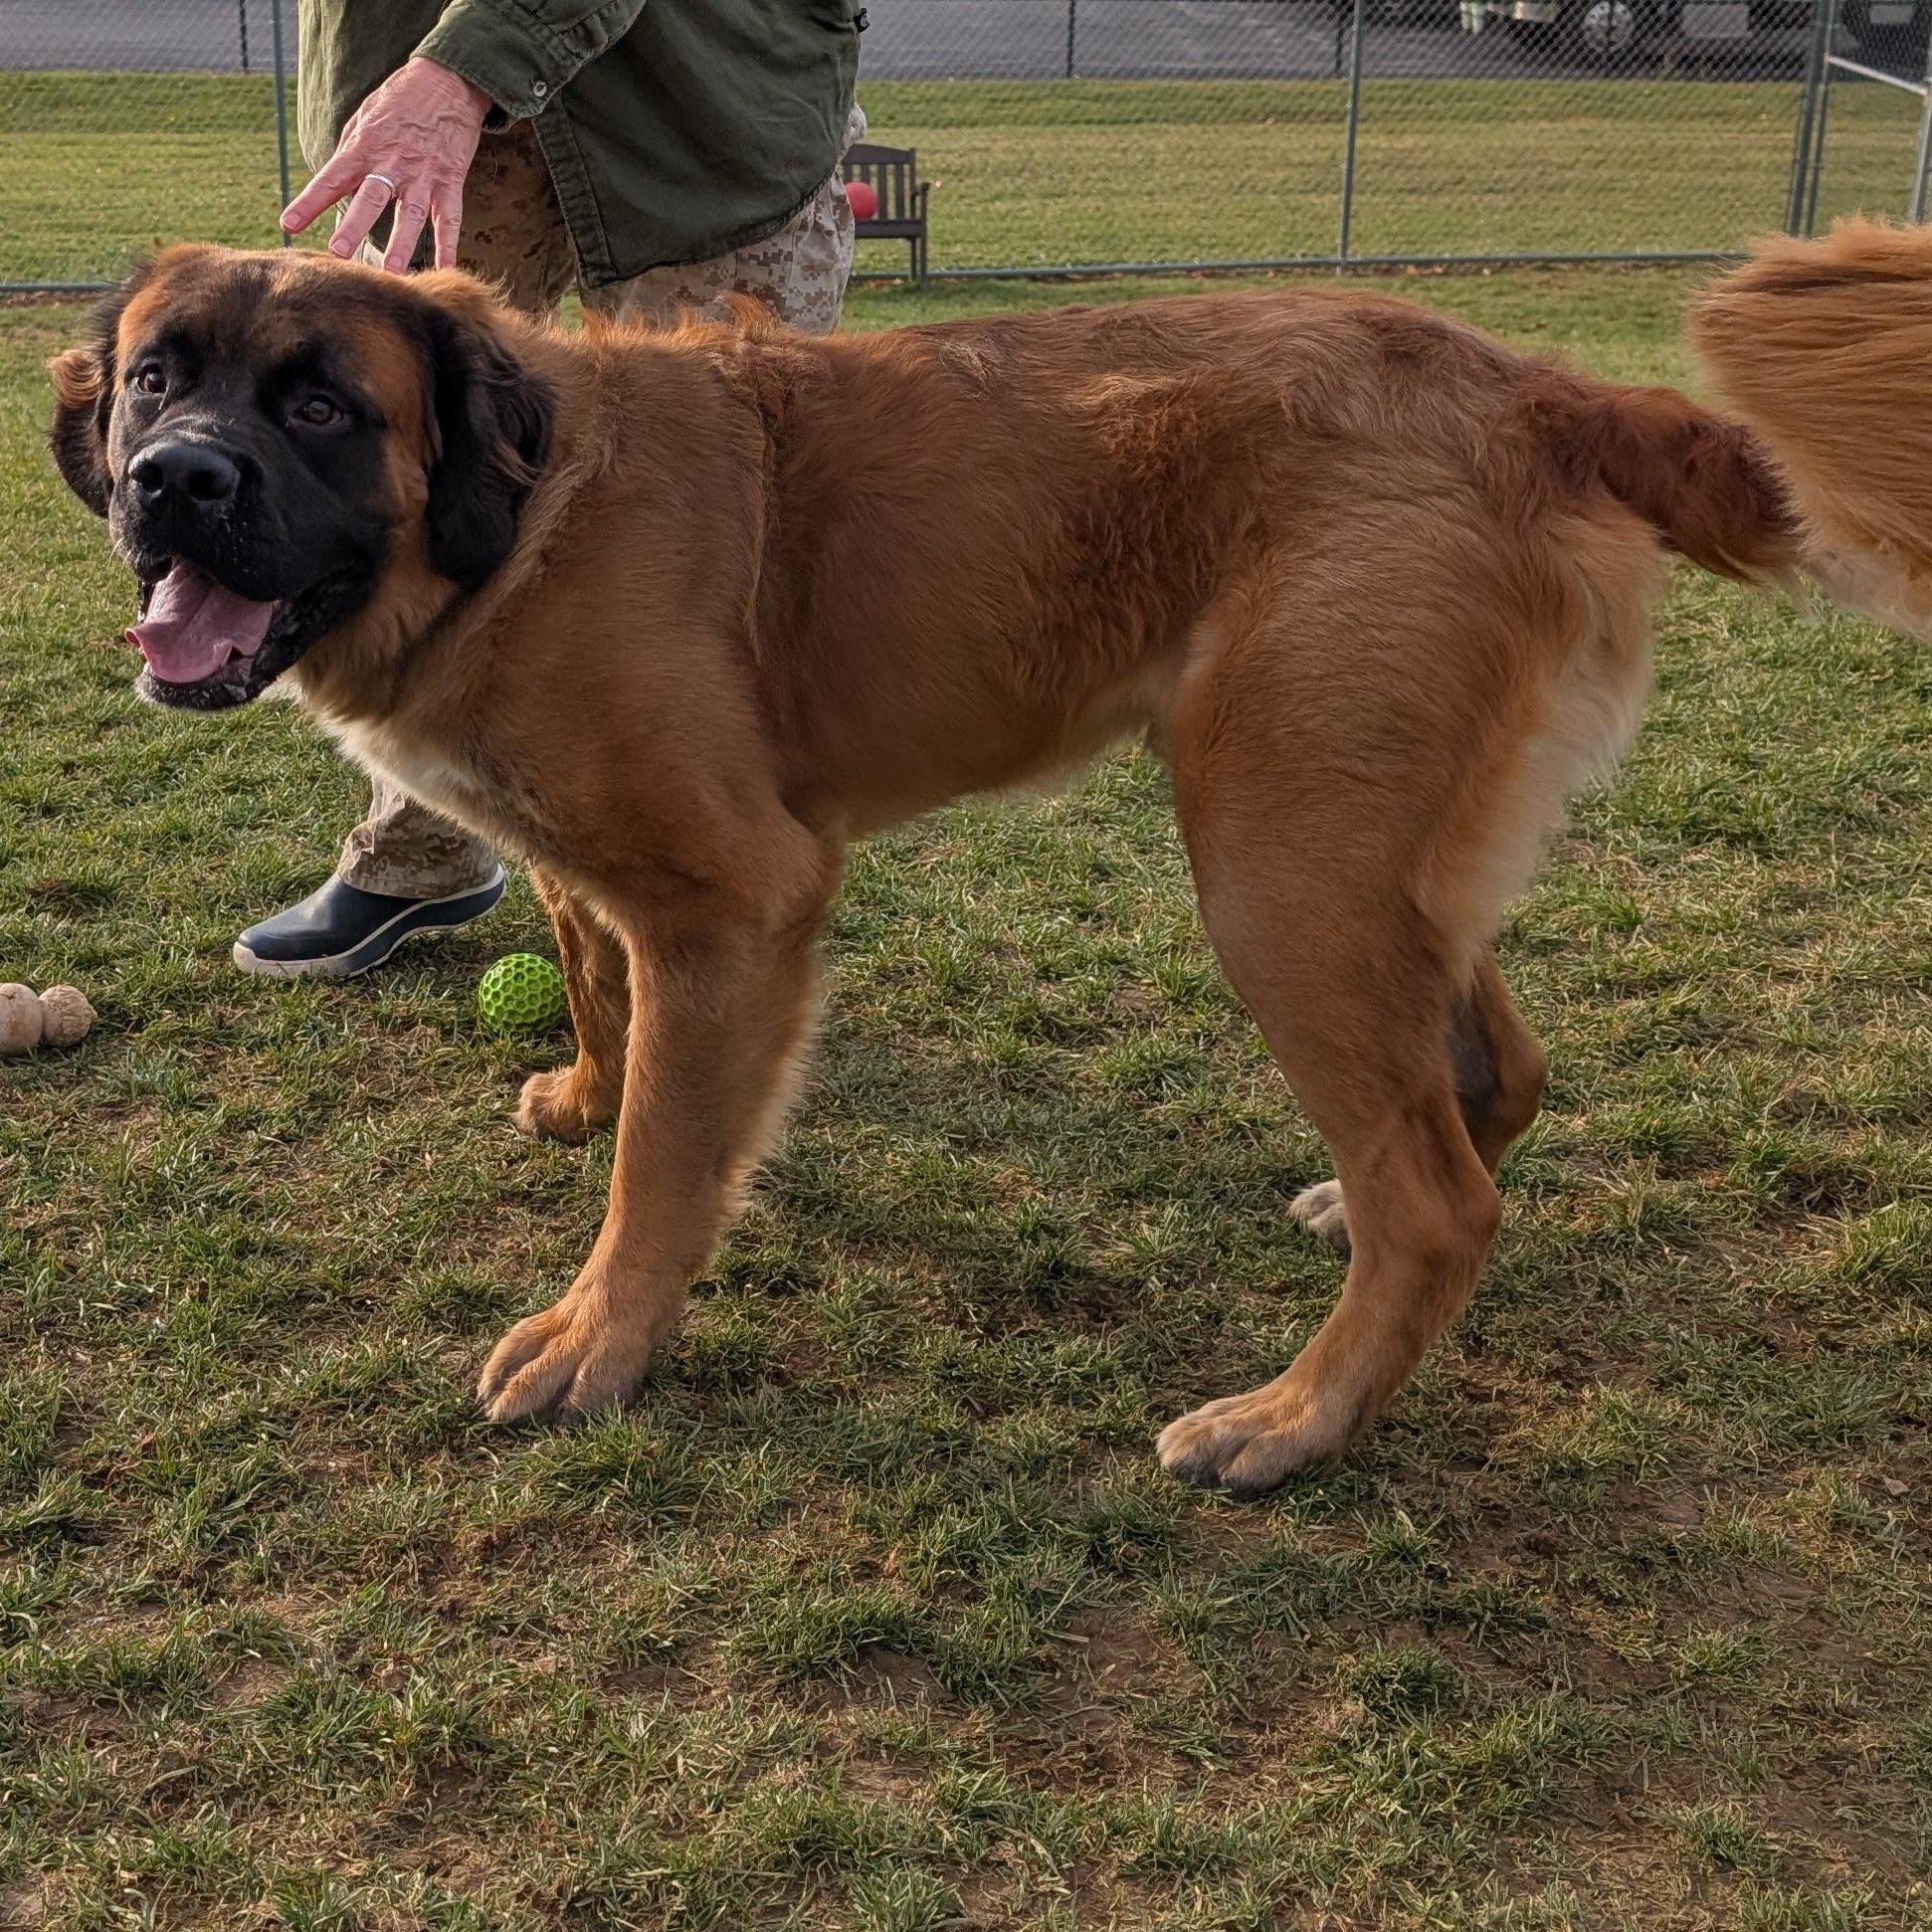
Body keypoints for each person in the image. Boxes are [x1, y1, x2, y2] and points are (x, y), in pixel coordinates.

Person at [238, 0, 865, 979]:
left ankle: (723, 875)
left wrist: (462, 68)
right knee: (411, 474)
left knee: (726, 522)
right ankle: (422, 843)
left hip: (704, 91)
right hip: (420, 96)